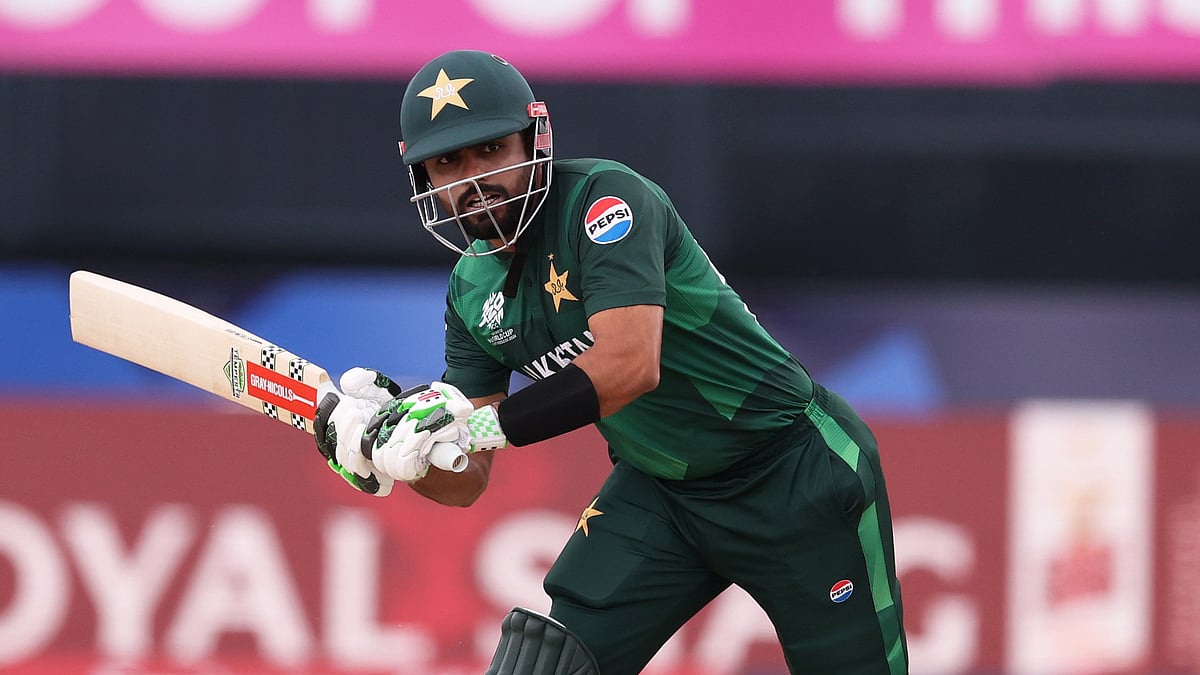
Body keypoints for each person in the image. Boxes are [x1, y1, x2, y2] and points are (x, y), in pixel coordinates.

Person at [312, 49, 908, 675]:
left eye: (491, 151)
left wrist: (469, 426)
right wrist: (391, 450)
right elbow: (467, 477)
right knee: (543, 668)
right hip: (662, 494)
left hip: (792, 470)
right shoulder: (469, 291)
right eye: (448, 163)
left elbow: (628, 366)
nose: (472, 179)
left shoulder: (603, 202)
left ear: (534, 140)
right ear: (424, 179)